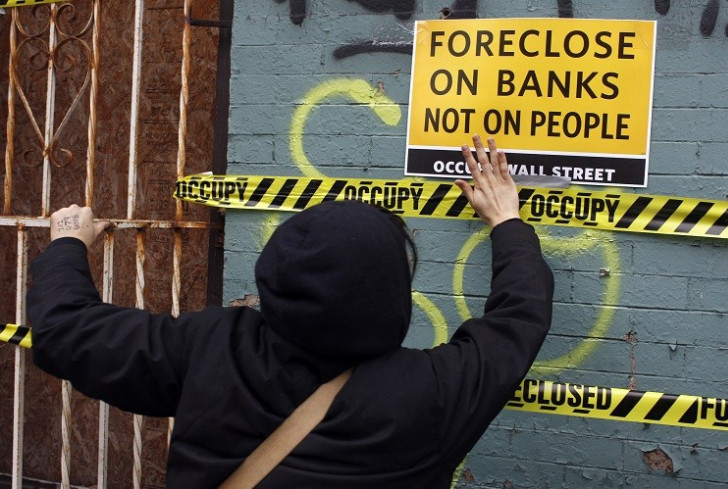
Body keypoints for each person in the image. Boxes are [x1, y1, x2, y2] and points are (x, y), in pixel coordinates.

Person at [28, 136, 553, 489]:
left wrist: (69, 243)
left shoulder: (210, 346)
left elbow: (64, 330)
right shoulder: (430, 394)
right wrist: (507, 220)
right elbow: (519, 319)